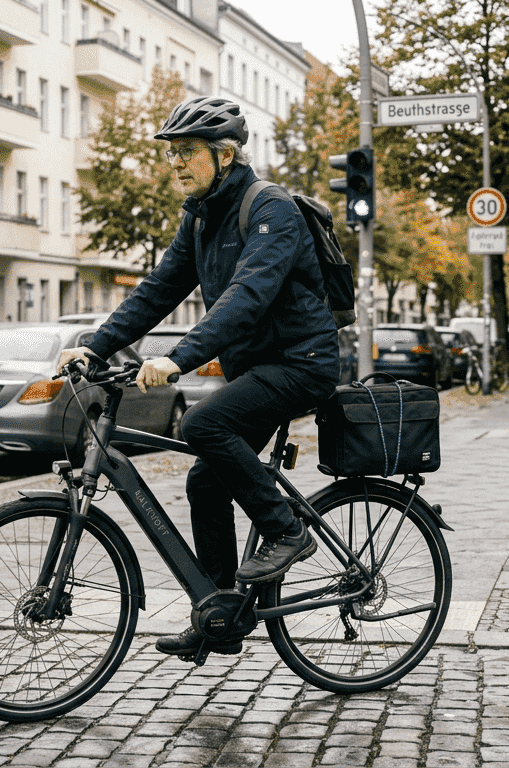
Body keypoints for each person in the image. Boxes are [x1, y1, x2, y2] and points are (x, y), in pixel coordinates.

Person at [56, 96, 340, 659]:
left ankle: (286, 530)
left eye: (187, 151)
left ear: (225, 155)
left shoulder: (271, 209)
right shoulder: (201, 217)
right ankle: (221, 612)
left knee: (203, 423)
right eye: (172, 154)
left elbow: (248, 295)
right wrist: (95, 345)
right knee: (205, 482)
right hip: (255, 368)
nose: (176, 163)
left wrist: (178, 358)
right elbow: (158, 289)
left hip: (301, 363)